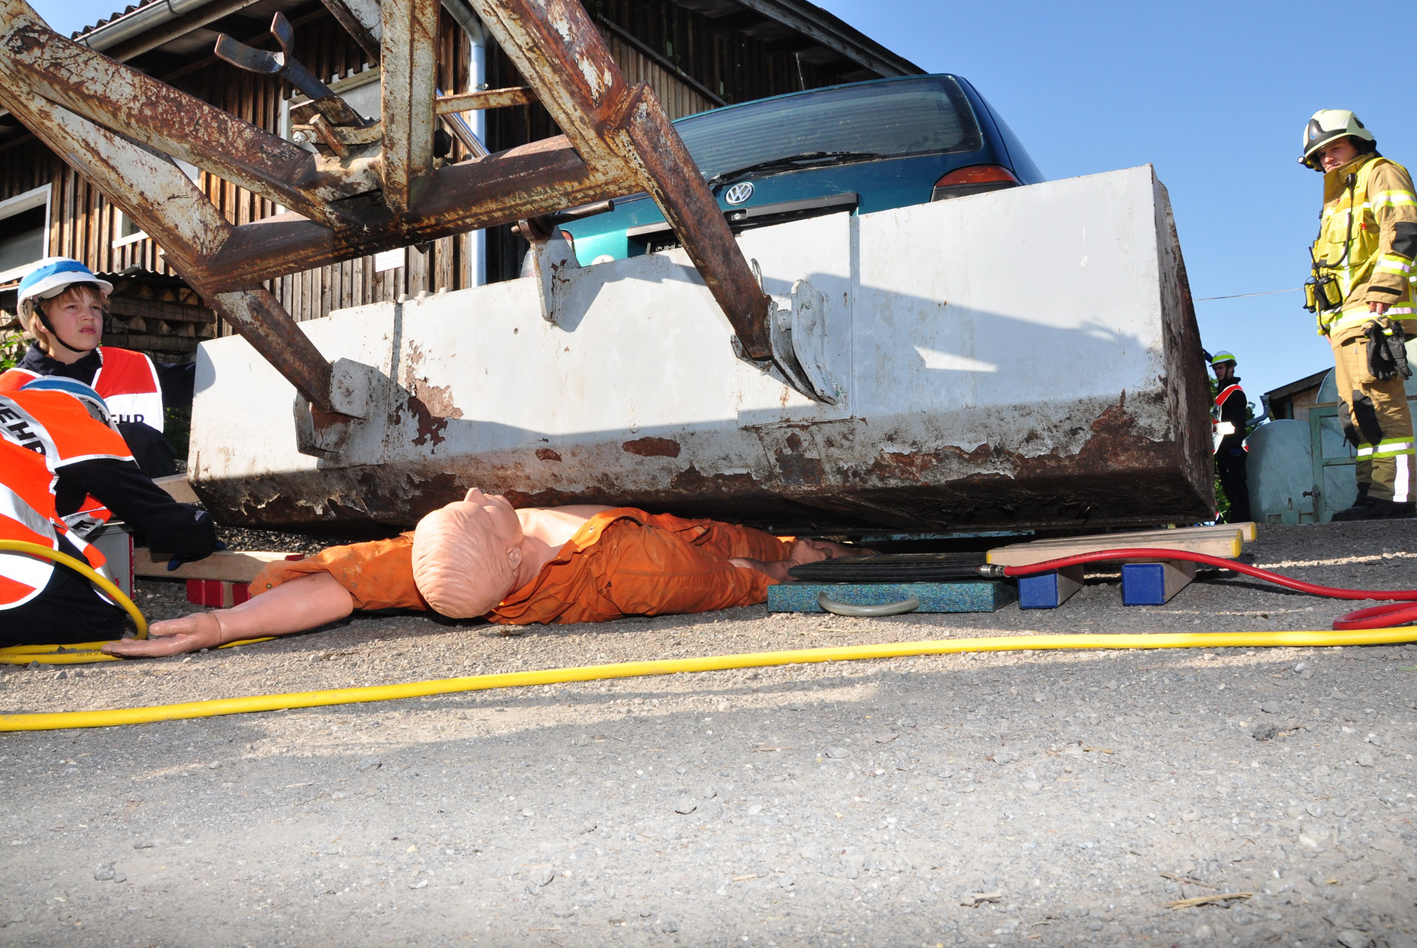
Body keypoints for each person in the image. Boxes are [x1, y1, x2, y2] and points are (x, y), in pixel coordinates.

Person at [102, 488, 870, 658]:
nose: (477, 496)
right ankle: (842, 553)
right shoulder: (630, 568)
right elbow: (722, 576)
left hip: (649, 545)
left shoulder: (444, 559)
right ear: (509, 558)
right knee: (786, 556)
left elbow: (337, 586)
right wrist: (781, 571)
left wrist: (221, 626)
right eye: (482, 513)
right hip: (684, 549)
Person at [0, 377, 219, 644]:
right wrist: (197, 534)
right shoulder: (67, 415)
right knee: (101, 620)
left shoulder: (15, 419)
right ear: (97, 415)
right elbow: (150, 508)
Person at [1300, 110, 1416, 521]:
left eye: (1335, 147)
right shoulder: (1337, 197)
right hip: (1345, 318)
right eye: (1320, 154)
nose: (1327, 158)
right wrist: (1326, 320)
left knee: (1381, 401)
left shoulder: (1381, 173)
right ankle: (1372, 493)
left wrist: (1384, 288)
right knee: (1356, 411)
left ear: (1358, 142)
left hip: (1374, 309)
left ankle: (1397, 497)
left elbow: (1403, 230)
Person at [0, 257, 195, 478]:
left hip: (147, 498)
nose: (89, 316)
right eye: (72, 307)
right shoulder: (10, 393)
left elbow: (200, 380)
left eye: (94, 307)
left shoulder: (133, 368)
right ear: (40, 320)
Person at [1208, 350, 1252, 522]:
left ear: (1231, 367)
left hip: (1232, 449)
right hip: (1224, 447)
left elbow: (1237, 426)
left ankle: (1242, 523)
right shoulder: (1225, 391)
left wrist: (1233, 449)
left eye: (1220, 368)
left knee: (1236, 488)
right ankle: (1237, 521)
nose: (1217, 372)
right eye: (1215, 368)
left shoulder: (1234, 393)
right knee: (1230, 488)